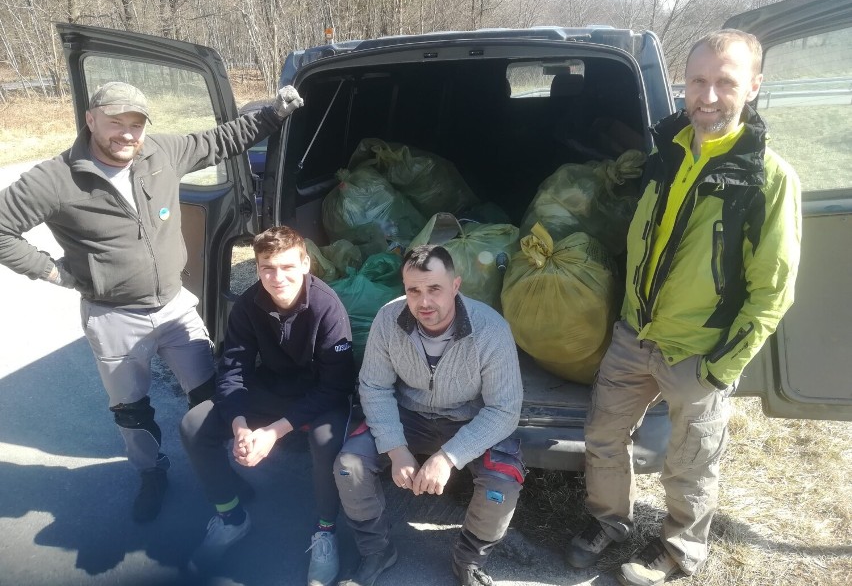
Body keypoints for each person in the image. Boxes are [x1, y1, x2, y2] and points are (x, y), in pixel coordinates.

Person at [0, 81, 303, 523]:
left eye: (136, 124)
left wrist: (272, 114)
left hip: (175, 306)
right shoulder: (55, 178)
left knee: (209, 394)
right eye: (116, 122)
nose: (127, 133)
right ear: (90, 119)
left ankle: (216, 467)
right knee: (131, 409)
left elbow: (222, 140)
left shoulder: (160, 152)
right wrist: (55, 272)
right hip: (112, 315)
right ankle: (150, 473)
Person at [566, 29, 802, 586]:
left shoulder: (768, 178)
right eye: (698, 81)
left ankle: (678, 554)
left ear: (754, 86)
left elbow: (775, 290)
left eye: (726, 82)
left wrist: (723, 366)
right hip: (634, 335)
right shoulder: (667, 153)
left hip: (699, 350)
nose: (709, 96)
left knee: (690, 463)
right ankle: (610, 523)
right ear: (684, 84)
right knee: (602, 437)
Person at [334, 244, 525, 586]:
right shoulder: (387, 320)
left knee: (502, 484)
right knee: (349, 468)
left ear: (455, 286)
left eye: (435, 289)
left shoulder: (491, 329)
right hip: (410, 415)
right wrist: (396, 448)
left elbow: (505, 409)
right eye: (414, 290)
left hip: (469, 418)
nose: (424, 302)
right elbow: (374, 387)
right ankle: (375, 550)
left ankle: (468, 561)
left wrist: (449, 457)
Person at [180, 226, 357, 583]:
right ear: (257, 267)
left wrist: (275, 432)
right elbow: (232, 370)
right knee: (193, 425)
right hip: (272, 387)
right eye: (267, 268)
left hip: (320, 395)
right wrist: (241, 426)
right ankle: (231, 517)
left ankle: (324, 530)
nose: (278, 278)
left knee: (326, 440)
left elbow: (336, 385)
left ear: (306, 263)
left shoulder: (327, 307)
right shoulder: (248, 305)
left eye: (288, 267)